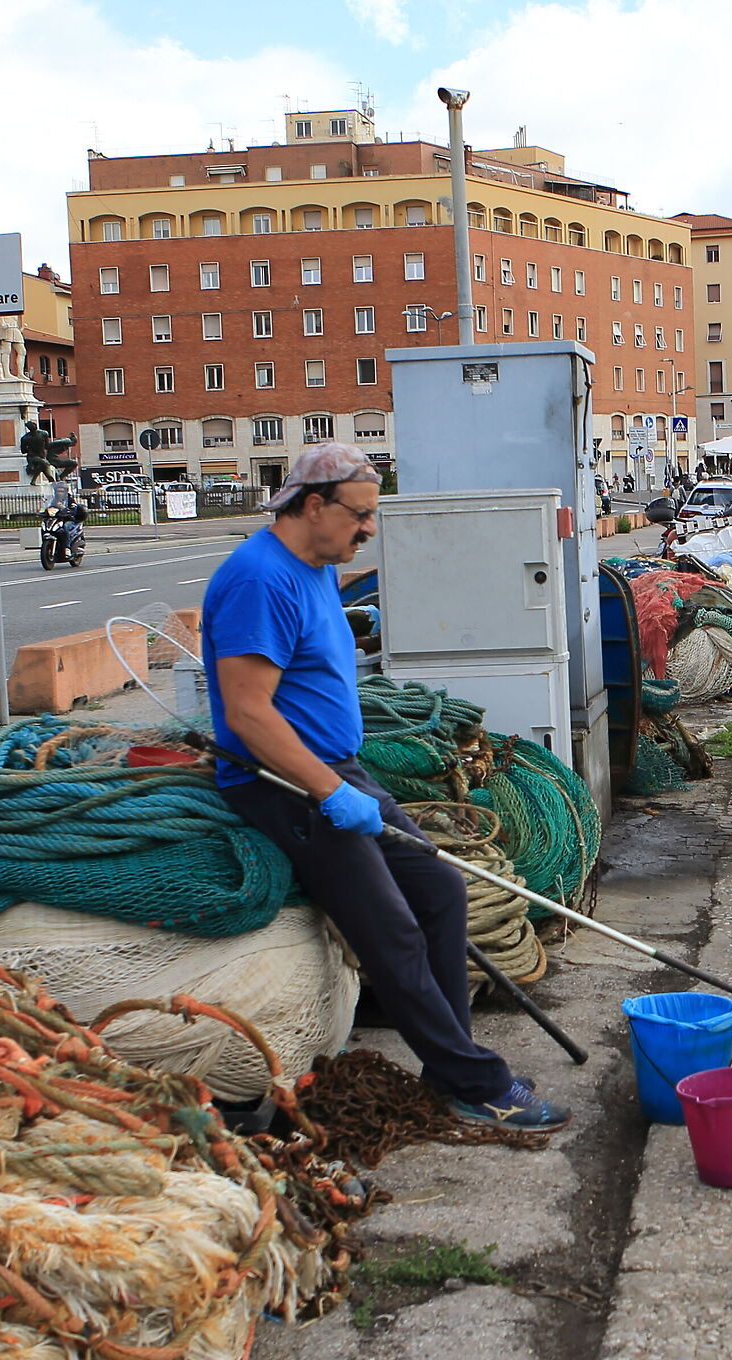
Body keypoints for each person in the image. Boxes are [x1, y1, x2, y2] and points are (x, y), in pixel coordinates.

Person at [200, 439, 571, 1132]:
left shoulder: (314, 564)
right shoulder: (260, 579)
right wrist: (328, 795)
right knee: (391, 930)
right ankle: (474, 1084)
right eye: (361, 516)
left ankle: (445, 1062)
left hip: (340, 773)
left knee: (440, 890)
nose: (369, 530)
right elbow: (249, 712)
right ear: (313, 505)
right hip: (286, 784)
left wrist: (349, 784)